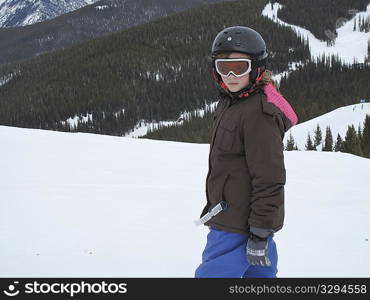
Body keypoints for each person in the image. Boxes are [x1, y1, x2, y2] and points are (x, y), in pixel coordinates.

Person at [194, 26, 298, 278]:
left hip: (235, 224)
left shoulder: (258, 114)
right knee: (258, 277)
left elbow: (270, 177)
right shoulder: (233, 101)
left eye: (239, 67)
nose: (230, 75)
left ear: (257, 67)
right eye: (222, 67)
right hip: (238, 216)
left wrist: (260, 231)